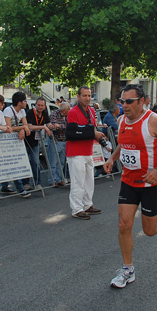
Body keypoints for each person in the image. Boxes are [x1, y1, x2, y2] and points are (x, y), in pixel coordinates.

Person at [103, 84, 157, 289]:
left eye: (129, 101)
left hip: (151, 183)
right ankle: (127, 269)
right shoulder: (121, 120)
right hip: (129, 181)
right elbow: (123, 143)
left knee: (149, 230)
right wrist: (112, 158)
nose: (124, 105)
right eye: (122, 101)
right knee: (124, 225)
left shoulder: (153, 121)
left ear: (142, 101)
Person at [65, 86, 106, 219]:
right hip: (76, 152)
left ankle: (87, 205)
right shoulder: (73, 112)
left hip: (88, 151)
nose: (87, 98)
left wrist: (96, 135)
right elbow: (71, 133)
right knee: (78, 182)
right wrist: (93, 133)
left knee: (89, 181)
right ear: (78, 97)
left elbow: (90, 129)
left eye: (89, 95)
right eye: (84, 96)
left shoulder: (91, 111)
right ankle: (76, 209)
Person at [2, 91, 32, 198]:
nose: (26, 103)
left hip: (15, 141)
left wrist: (23, 129)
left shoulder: (22, 111)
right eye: (24, 101)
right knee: (11, 164)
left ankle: (4, 186)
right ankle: (19, 188)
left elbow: (25, 124)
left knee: (13, 163)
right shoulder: (8, 111)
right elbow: (9, 127)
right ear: (19, 102)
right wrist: (23, 128)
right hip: (5, 141)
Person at [24, 97, 54, 190]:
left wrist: (54, 126)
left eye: (42, 105)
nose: (40, 107)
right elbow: (29, 126)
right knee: (26, 162)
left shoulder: (44, 113)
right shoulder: (30, 112)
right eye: (39, 105)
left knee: (36, 162)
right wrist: (44, 127)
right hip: (26, 140)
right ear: (35, 105)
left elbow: (48, 124)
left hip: (35, 141)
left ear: (45, 106)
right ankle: (25, 183)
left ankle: (37, 183)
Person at [47, 102, 69, 187]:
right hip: (55, 140)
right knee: (53, 162)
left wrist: (60, 126)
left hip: (64, 140)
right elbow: (54, 126)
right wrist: (61, 126)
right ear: (64, 110)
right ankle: (52, 180)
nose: (69, 111)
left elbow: (68, 125)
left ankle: (59, 179)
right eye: (68, 110)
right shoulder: (54, 114)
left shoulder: (67, 115)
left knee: (62, 162)